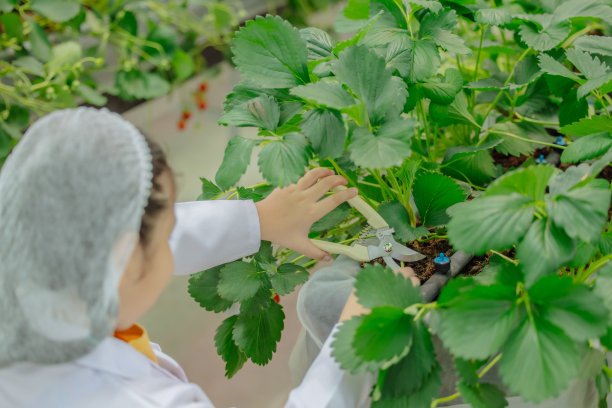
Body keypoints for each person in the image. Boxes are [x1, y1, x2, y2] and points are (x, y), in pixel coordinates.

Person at [0, 107, 416, 408]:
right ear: (121, 262)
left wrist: (257, 219)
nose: (174, 238)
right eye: (167, 238)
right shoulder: (132, 401)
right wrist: (355, 340)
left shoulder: (28, 268)